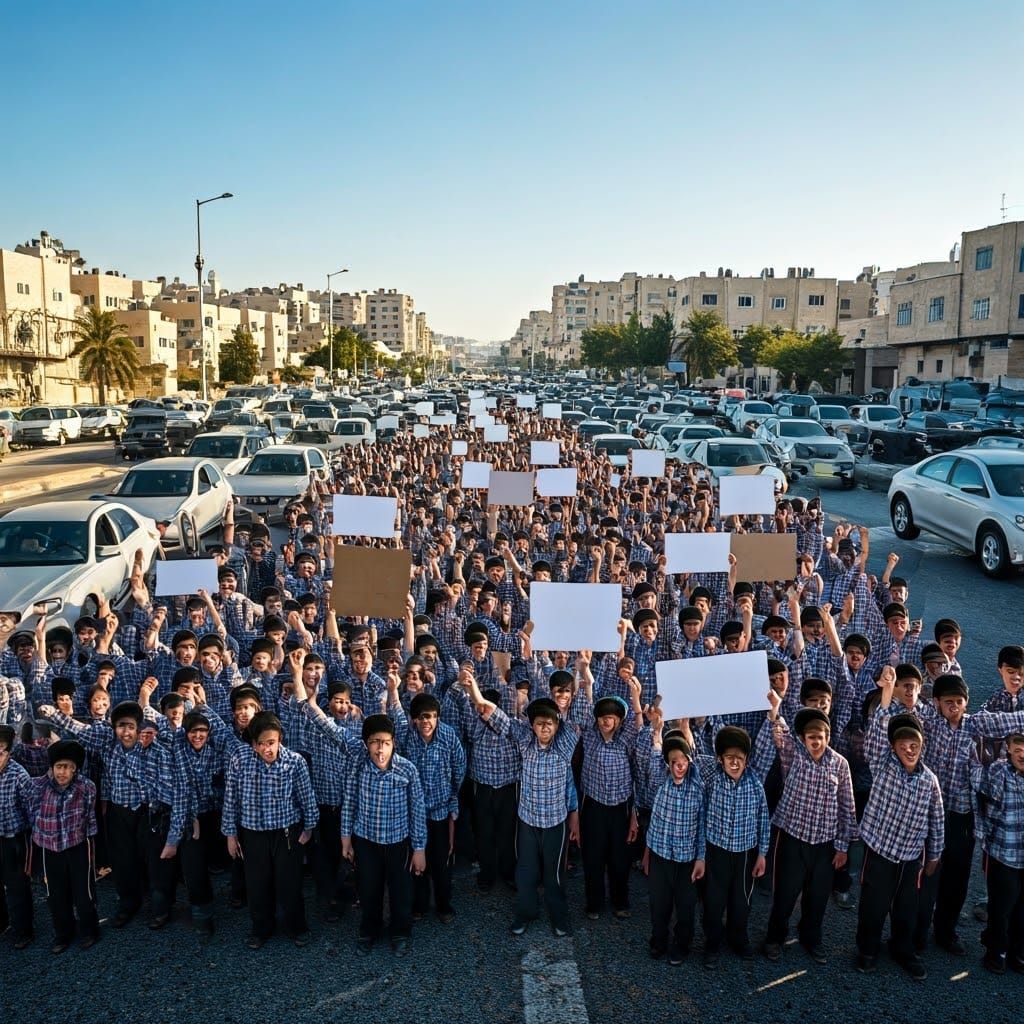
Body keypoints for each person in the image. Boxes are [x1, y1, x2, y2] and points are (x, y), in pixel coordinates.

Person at [466, 677, 580, 938]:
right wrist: (473, 687)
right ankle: (525, 913)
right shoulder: (525, 742)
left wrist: (583, 676)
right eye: (539, 723)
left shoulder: (564, 746)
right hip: (527, 822)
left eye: (549, 723)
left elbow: (579, 715)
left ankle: (559, 916)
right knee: (526, 872)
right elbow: (488, 710)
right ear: (532, 726)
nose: (543, 728)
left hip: (555, 824)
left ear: (556, 726)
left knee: (555, 875)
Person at [855, 669, 944, 980]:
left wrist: (933, 855)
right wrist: (887, 693)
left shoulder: (929, 780)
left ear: (922, 746)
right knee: (873, 904)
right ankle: (867, 949)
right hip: (879, 850)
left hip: (910, 857)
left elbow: (937, 820)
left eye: (915, 744)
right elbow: (878, 733)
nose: (909, 748)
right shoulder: (882, 764)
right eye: (903, 743)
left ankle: (902, 948)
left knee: (907, 907)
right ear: (893, 747)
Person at [761, 698, 857, 965]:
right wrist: (775, 708)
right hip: (792, 838)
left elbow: (846, 806)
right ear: (803, 738)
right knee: (785, 893)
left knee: (817, 896)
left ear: (828, 736)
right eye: (811, 737)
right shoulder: (793, 755)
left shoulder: (840, 764)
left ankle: (810, 937)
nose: (816, 741)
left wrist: (842, 846)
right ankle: (774, 939)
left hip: (825, 844)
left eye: (821, 736)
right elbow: (778, 729)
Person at [220, 710, 318, 949]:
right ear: (253, 744)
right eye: (261, 744)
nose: (267, 749)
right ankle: (261, 927)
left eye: (272, 742)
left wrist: (308, 828)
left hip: (286, 832)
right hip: (253, 833)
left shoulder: (295, 762)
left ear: (280, 739)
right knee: (257, 883)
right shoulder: (239, 760)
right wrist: (230, 834)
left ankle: (297, 926)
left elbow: (307, 798)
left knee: (289, 883)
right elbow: (231, 799)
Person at [23, 739, 100, 954]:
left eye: (68, 767)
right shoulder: (37, 786)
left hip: (77, 845)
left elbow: (90, 817)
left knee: (83, 891)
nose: (62, 772)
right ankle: (63, 934)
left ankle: (89, 930)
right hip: (50, 847)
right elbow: (32, 812)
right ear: (51, 767)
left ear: (75, 769)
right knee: (55, 893)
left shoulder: (86, 787)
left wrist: (93, 848)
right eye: (59, 766)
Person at [644, 728, 706, 964]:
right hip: (660, 855)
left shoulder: (698, 789)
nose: (679, 766)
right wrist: (657, 732)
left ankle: (682, 945)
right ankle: (658, 941)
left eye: (684, 761)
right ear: (667, 764)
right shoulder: (660, 782)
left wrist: (701, 858)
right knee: (659, 905)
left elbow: (701, 828)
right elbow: (654, 755)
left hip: (687, 860)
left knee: (686, 907)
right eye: (674, 762)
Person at [973, 730, 1024, 974]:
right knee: (1001, 907)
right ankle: (996, 951)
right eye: (1017, 749)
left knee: (1022, 908)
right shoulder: (999, 770)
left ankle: (1018, 952)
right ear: (1009, 749)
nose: (1022, 754)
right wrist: (984, 836)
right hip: (1003, 851)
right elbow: (985, 801)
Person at [0, 724, 33, 948]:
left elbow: (32, 809)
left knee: (17, 885)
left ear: (9, 751)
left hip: (15, 838)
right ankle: (3, 923)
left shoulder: (18, 775)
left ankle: (24, 930)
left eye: (1, 751)